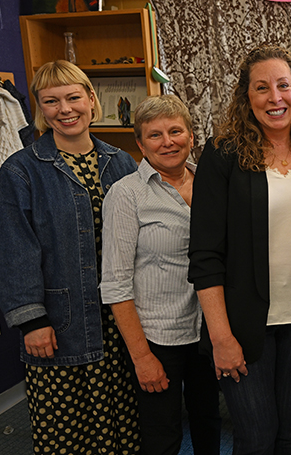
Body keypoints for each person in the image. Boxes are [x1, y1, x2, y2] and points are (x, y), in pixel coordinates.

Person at [188, 44, 291, 455]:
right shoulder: (223, 156)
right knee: (256, 436)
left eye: (283, 85)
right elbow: (205, 256)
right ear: (246, 98)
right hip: (242, 325)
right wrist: (220, 338)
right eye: (261, 88)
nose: (275, 98)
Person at [0, 60, 139, 453]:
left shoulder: (121, 162)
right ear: (40, 109)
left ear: (91, 100)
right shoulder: (21, 171)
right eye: (51, 101)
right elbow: (14, 248)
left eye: (74, 97)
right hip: (61, 323)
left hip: (119, 318)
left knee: (122, 423)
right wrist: (32, 320)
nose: (65, 109)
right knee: (68, 433)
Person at [101, 95, 222, 455]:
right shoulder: (126, 195)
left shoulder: (212, 184)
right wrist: (141, 357)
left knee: (209, 421)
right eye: (155, 135)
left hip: (207, 329)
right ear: (139, 143)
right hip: (157, 337)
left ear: (191, 136)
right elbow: (116, 284)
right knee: (162, 433)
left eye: (175, 131)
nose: (168, 141)